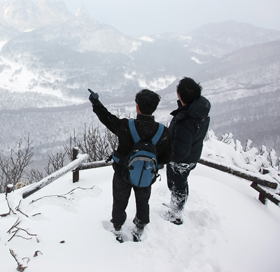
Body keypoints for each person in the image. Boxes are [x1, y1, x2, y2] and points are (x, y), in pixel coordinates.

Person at [89, 89, 172, 242]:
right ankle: (140, 227)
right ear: (155, 107)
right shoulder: (163, 132)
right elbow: (167, 156)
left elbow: (107, 118)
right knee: (143, 201)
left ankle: (117, 226)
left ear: (137, 106)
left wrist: (95, 102)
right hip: (146, 175)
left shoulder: (126, 126)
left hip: (123, 174)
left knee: (120, 200)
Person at [164, 77, 211, 225]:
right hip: (192, 154)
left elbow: (180, 152)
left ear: (179, 95)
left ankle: (176, 215)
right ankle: (175, 208)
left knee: (177, 185)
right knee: (180, 183)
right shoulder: (199, 110)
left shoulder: (186, 121)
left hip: (182, 160)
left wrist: (166, 155)